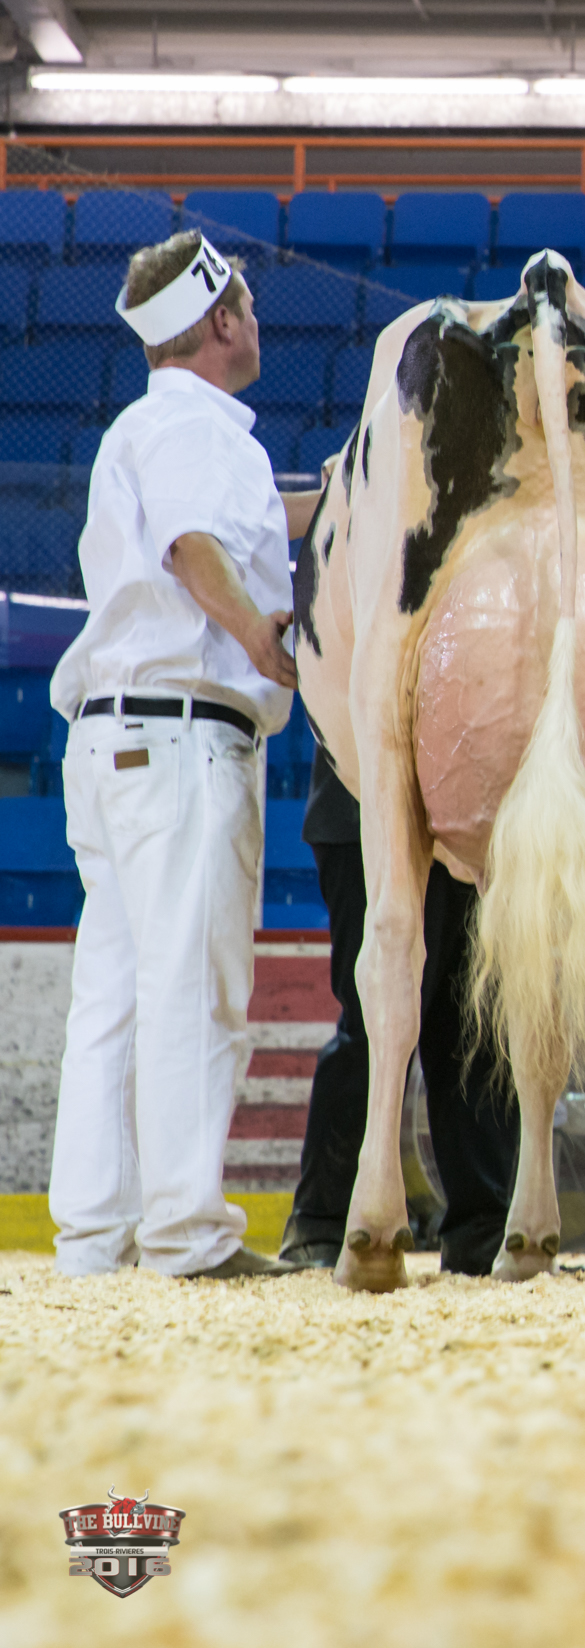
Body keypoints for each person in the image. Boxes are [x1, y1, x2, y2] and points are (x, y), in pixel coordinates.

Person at [46, 230, 314, 1280]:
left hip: (113, 736)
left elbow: (235, 523)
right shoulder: (205, 430)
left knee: (113, 994)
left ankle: (94, 1236)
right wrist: (259, 638)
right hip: (183, 737)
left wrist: (340, 497)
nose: (256, 322)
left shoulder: (150, 427)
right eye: (246, 307)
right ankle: (189, 1234)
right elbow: (196, 546)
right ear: (219, 321)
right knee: (193, 987)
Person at [276, 755, 522, 1273]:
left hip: (474, 819)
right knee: (375, 1026)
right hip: (366, 807)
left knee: (476, 1030)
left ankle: (483, 1233)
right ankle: (321, 1224)